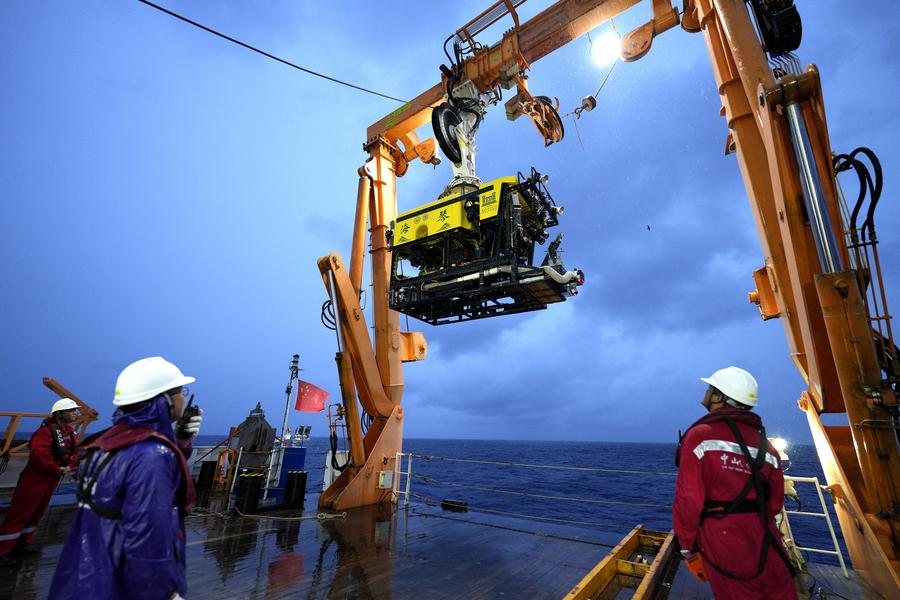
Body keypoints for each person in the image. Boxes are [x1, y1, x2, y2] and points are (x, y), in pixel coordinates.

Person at [49, 357, 203, 600]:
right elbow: (147, 532)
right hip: (123, 582)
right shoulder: (153, 455)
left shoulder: (105, 443)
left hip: (86, 572)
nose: (183, 397)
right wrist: (161, 592)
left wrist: (180, 441)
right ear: (163, 401)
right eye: (179, 391)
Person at [673, 366, 797, 600]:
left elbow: (689, 499)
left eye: (710, 388)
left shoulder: (700, 436)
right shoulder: (767, 447)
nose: (706, 392)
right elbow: (775, 503)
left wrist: (688, 547)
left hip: (725, 541)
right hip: (767, 541)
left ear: (719, 397)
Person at [0, 398, 80, 566]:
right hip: (35, 479)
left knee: (37, 512)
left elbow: (75, 452)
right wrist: (56, 468)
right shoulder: (44, 433)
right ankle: (3, 551)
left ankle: (21, 545)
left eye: (75, 410)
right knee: (20, 513)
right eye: (71, 410)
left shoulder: (70, 433)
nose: (76, 413)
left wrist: (69, 466)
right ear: (59, 414)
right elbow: (39, 455)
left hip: (51, 478)